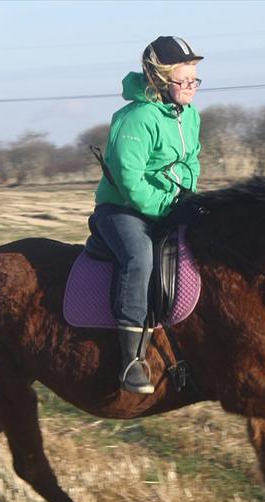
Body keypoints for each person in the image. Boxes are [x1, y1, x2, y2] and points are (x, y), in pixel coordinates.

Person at [87, 36, 203, 394]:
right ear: (157, 79)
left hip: (170, 204)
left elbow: (192, 161)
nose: (190, 89)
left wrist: (188, 195)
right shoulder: (135, 118)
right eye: (182, 82)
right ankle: (132, 360)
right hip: (122, 211)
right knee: (140, 257)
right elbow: (130, 181)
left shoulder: (190, 115)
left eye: (194, 80)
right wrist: (168, 206)